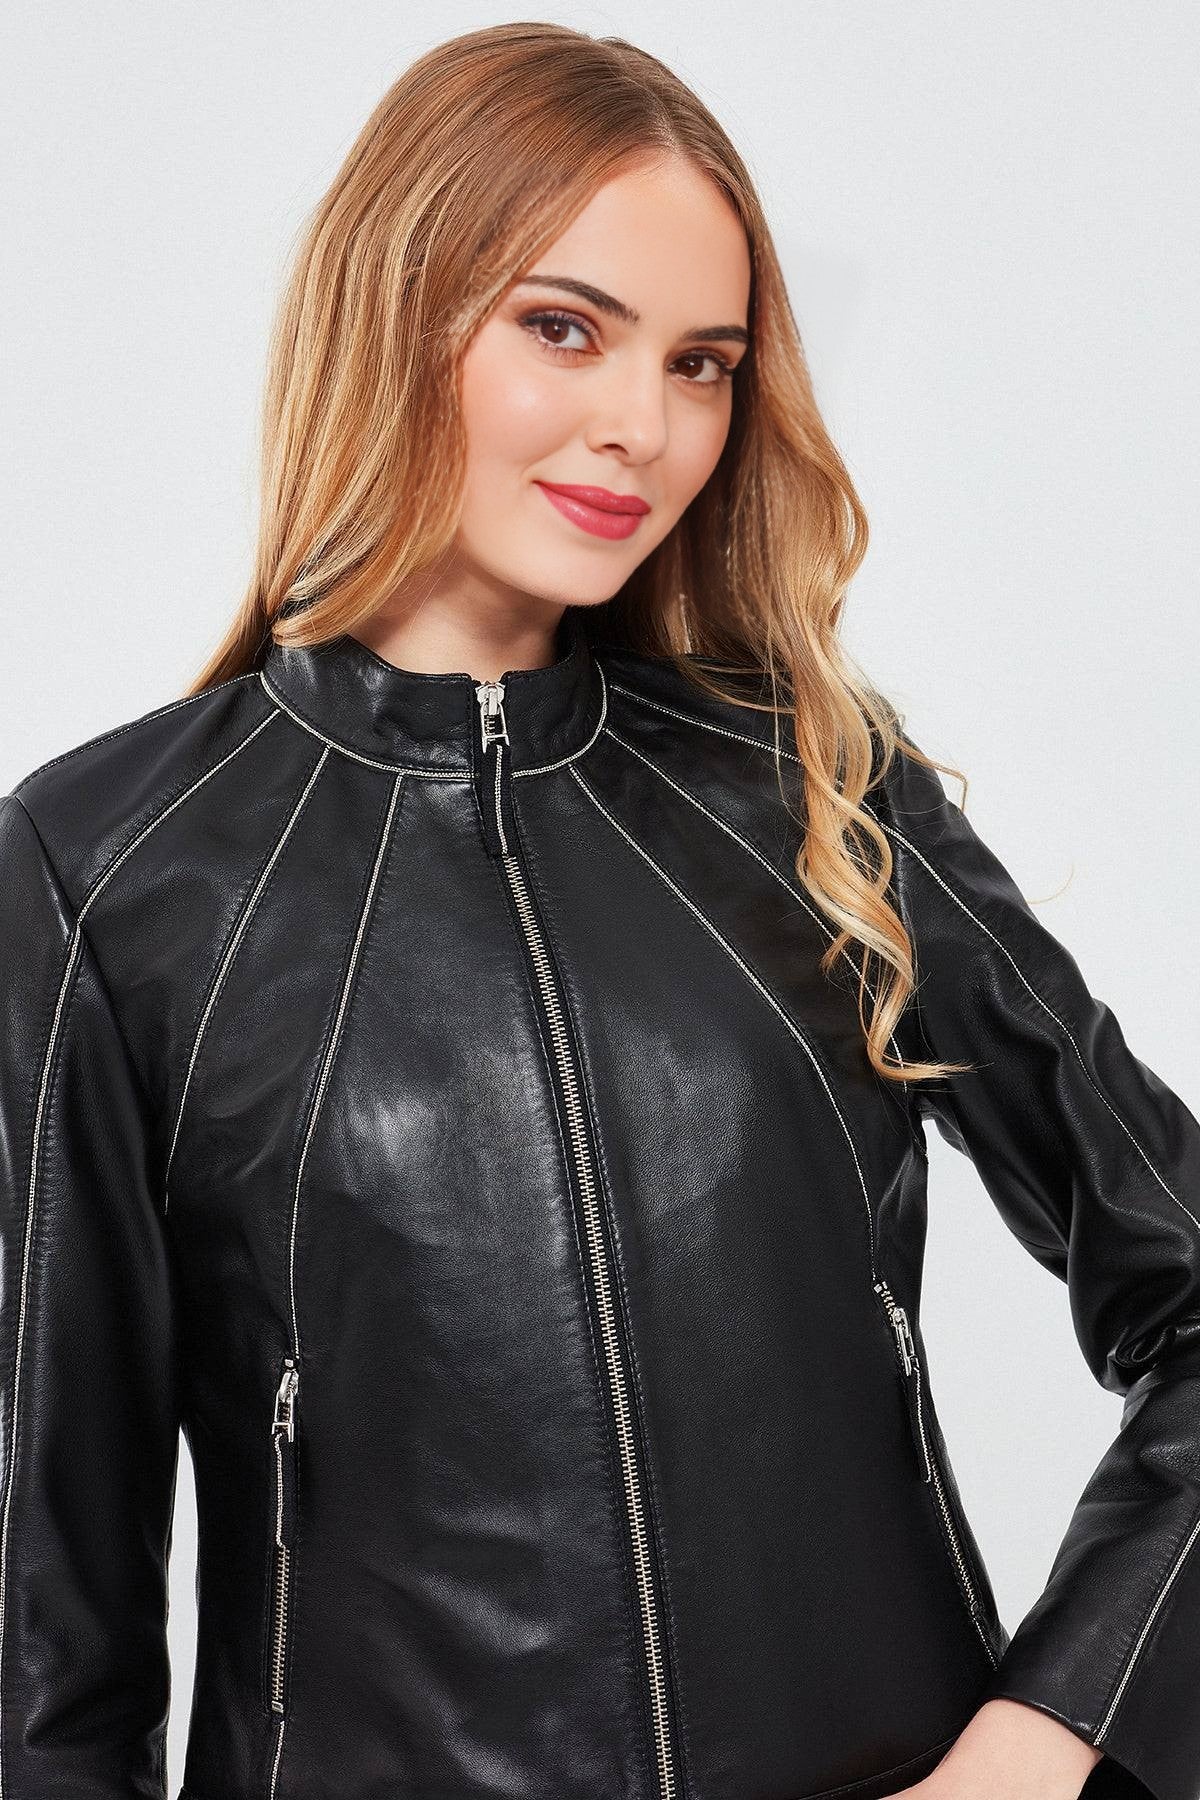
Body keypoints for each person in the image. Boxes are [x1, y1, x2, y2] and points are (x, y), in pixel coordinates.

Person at [0, 21, 1195, 1800]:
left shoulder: (817, 793)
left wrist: (1037, 1746)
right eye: (565, 328)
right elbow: (48, 1654)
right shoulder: (108, 868)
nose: (645, 426)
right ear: (399, 311)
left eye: (703, 363)